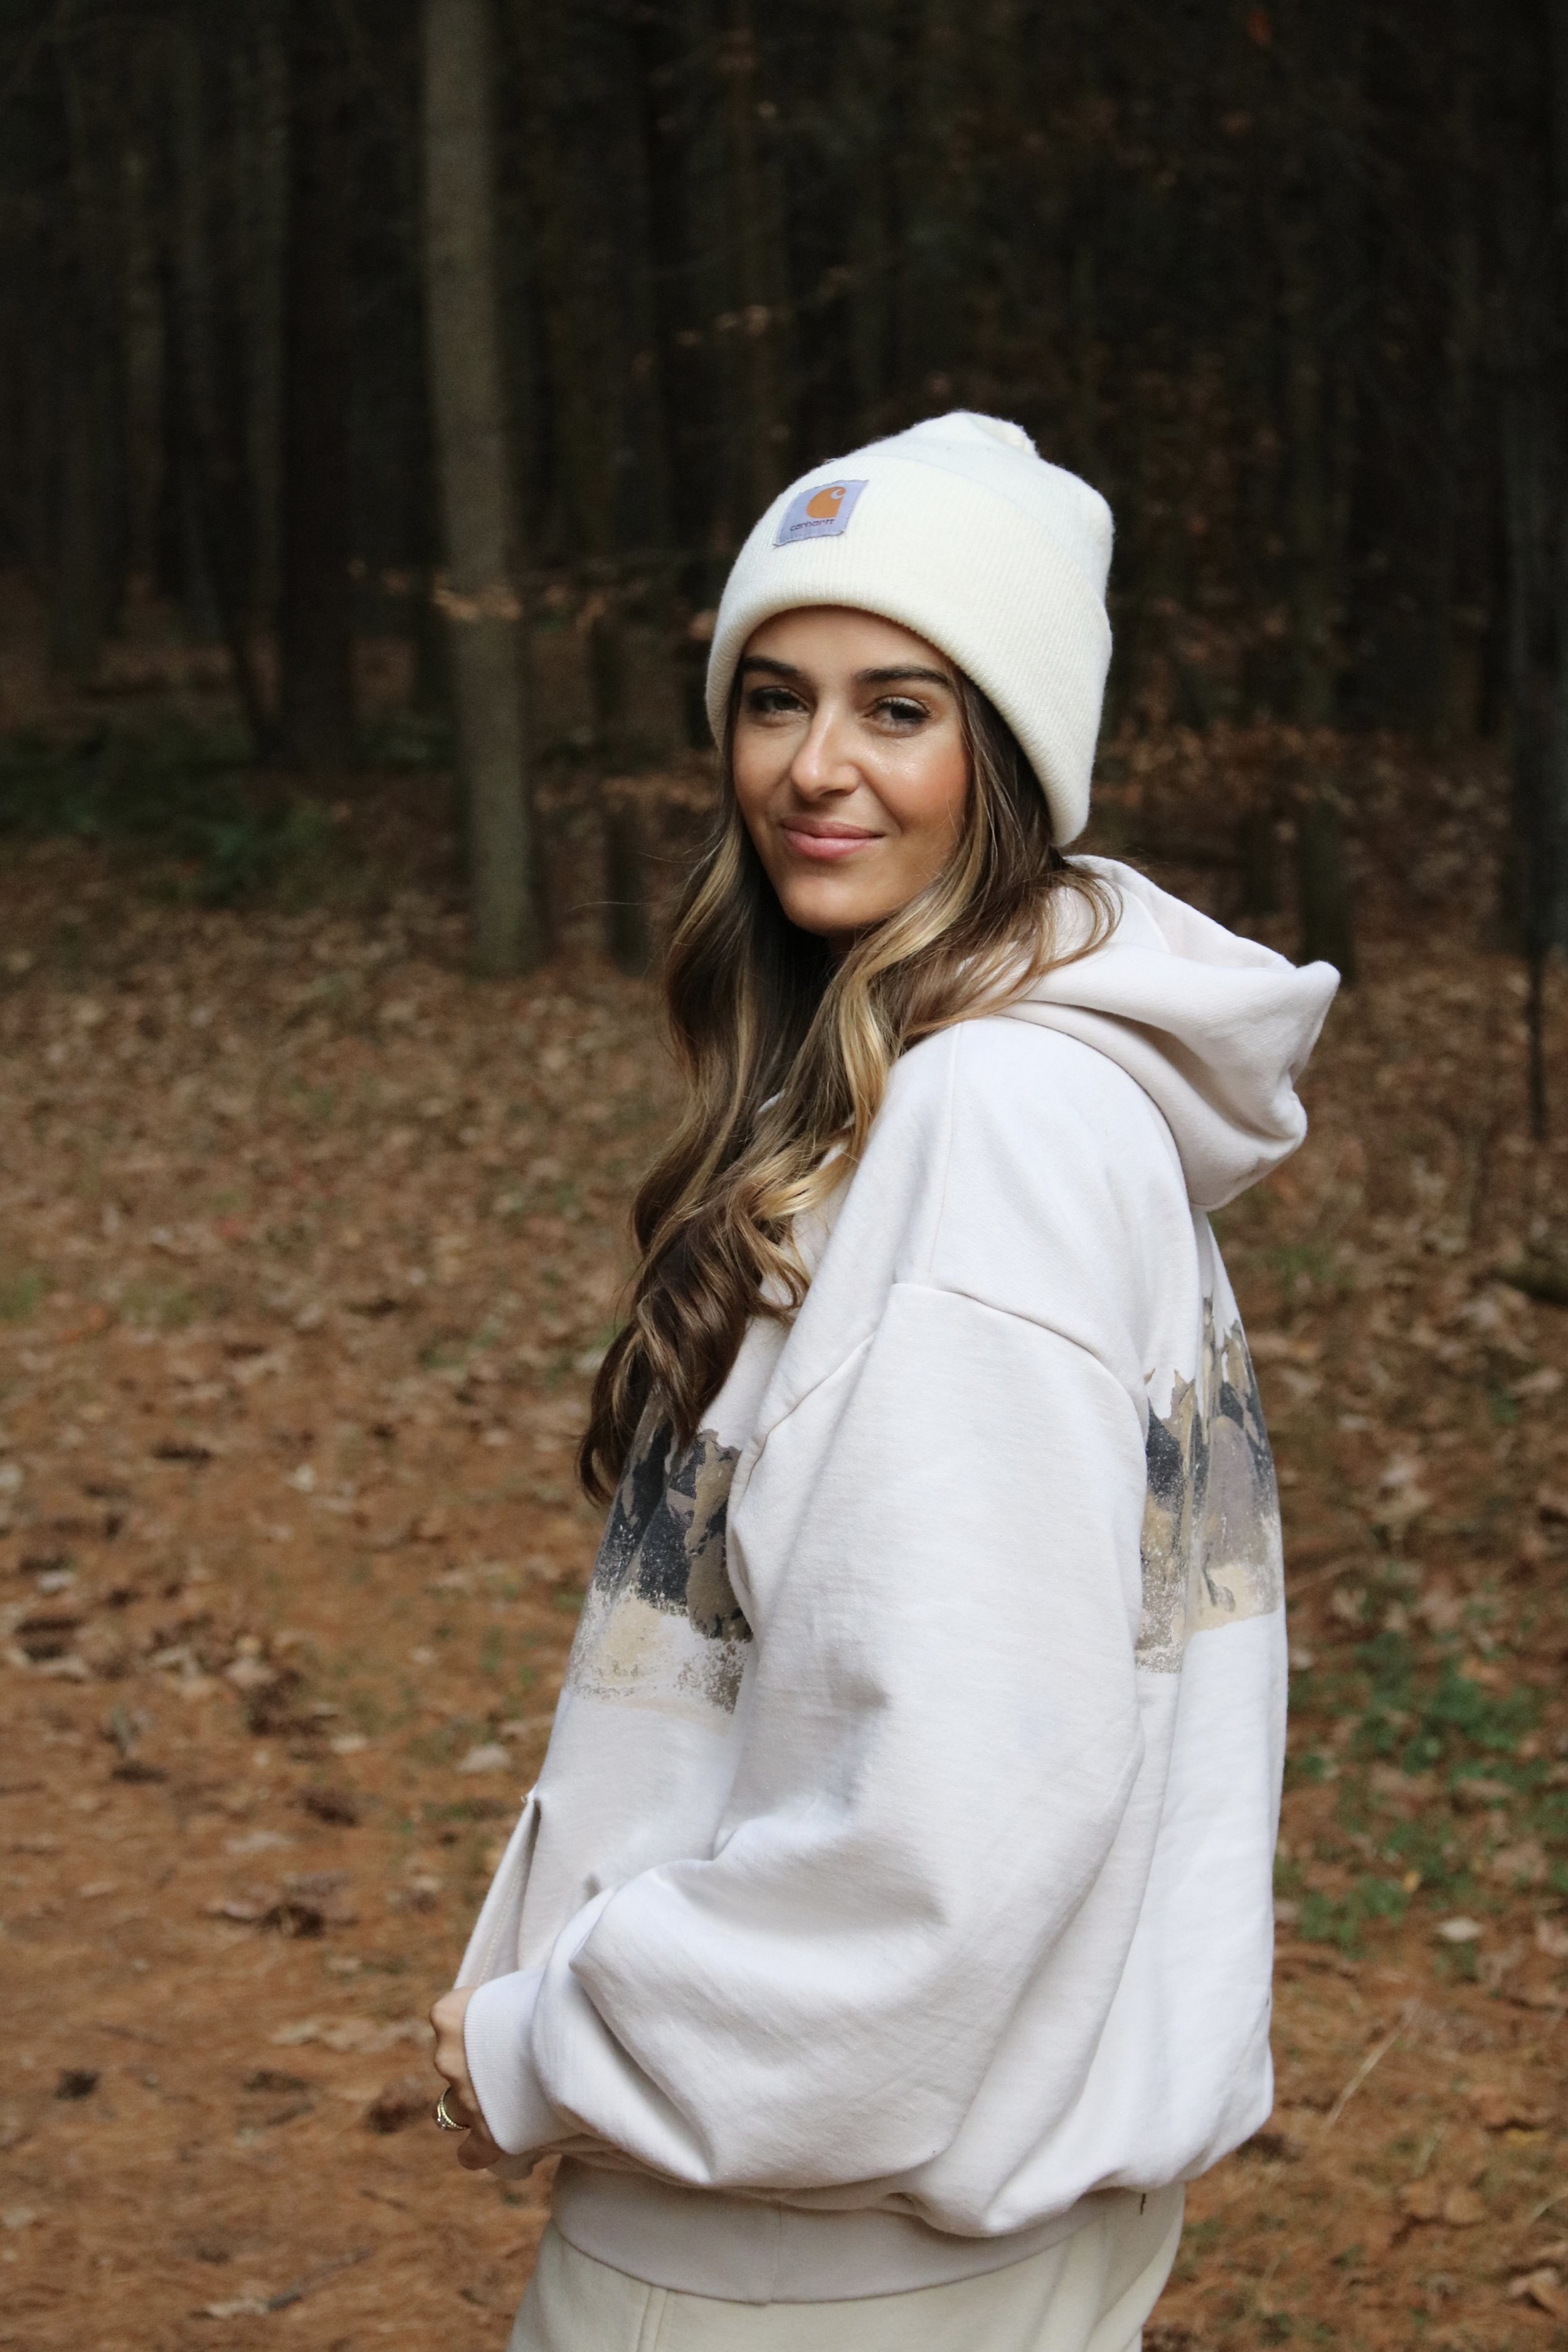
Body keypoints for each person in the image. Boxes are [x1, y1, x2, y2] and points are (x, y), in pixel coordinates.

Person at [430, 411, 1338, 2352]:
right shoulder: (1023, 1095)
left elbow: (947, 1826)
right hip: (955, 2212)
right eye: (772, 700)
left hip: (797, 2247)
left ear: (1004, 759)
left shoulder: (985, 1127)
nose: (813, 768)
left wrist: (553, 2033)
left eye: (897, 708)